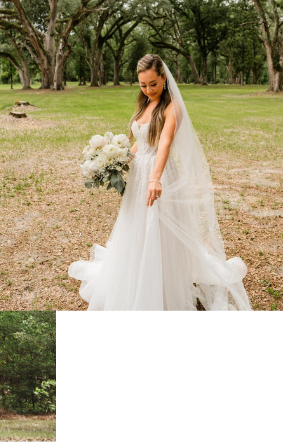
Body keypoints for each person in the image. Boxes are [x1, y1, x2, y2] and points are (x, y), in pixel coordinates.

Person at [68, 54, 251, 310]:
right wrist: (113, 162)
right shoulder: (144, 104)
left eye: (153, 84)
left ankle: (161, 283)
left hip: (159, 172)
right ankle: (135, 275)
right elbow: (139, 143)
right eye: (143, 85)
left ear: (164, 78)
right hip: (139, 173)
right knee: (136, 224)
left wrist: (155, 178)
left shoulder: (172, 106)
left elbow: (163, 143)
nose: (148, 89)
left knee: (157, 228)